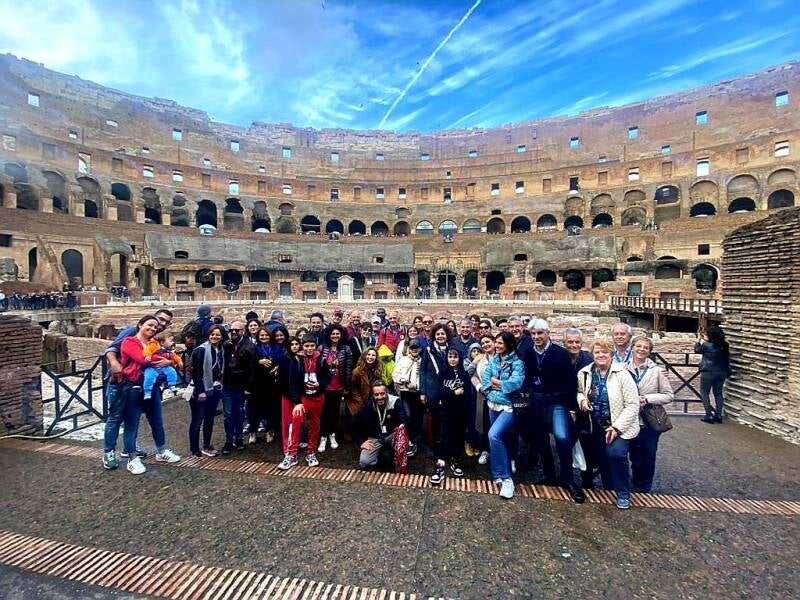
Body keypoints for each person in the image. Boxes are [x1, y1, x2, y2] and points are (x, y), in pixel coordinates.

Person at [102, 308, 173, 470]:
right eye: (160, 319)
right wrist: (114, 363)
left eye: (166, 322)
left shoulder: (153, 338)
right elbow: (111, 349)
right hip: (120, 382)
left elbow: (160, 356)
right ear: (143, 322)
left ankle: (131, 449)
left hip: (139, 385)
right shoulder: (130, 333)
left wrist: (168, 362)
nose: (161, 324)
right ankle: (109, 452)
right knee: (115, 417)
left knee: (134, 418)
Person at [523, 318, 585, 503]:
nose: (536, 337)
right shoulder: (528, 353)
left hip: (557, 401)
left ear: (547, 333)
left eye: (540, 333)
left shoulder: (560, 353)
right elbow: (528, 376)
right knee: (541, 439)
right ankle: (549, 475)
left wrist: (572, 408)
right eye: (533, 334)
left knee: (562, 437)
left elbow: (570, 382)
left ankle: (568, 478)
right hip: (537, 400)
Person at [577, 338, 640, 509]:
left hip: (619, 425)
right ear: (592, 355)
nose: (601, 355)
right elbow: (580, 392)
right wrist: (582, 400)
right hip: (596, 424)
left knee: (616, 454)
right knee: (603, 458)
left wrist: (617, 427)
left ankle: (623, 493)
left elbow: (633, 404)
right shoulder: (585, 372)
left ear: (611, 355)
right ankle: (608, 489)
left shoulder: (623, 374)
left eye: (605, 352)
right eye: (597, 352)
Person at [119, 315, 181, 474]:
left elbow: (170, 357)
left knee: (157, 421)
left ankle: (161, 451)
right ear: (140, 325)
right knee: (132, 425)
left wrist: (170, 361)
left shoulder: (153, 343)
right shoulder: (129, 342)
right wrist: (167, 359)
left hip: (152, 388)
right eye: (149, 325)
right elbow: (142, 359)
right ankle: (132, 458)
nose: (153, 329)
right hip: (133, 387)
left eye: (155, 327)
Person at [627, 335, 674, 493]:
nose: (641, 349)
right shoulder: (623, 368)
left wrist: (647, 398)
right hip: (631, 419)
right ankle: (635, 481)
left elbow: (668, 395)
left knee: (648, 453)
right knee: (634, 453)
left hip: (650, 418)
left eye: (645, 348)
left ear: (649, 351)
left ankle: (645, 486)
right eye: (638, 346)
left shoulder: (658, 371)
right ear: (632, 348)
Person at [481, 332, 525, 499]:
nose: (497, 345)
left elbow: (516, 383)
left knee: (494, 435)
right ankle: (499, 473)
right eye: (496, 343)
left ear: (508, 344)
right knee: (501, 439)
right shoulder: (494, 360)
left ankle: (506, 478)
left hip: (509, 407)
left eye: (500, 343)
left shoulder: (517, 363)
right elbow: (486, 380)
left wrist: (498, 383)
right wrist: (495, 386)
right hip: (493, 404)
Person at [282, 334, 330, 468]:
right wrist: (297, 402)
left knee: (315, 425)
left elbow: (327, 377)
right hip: (303, 398)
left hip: (318, 397)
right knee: (296, 421)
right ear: (303, 346)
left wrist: (319, 384)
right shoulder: (297, 359)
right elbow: (292, 383)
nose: (309, 349)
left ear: (316, 346)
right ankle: (292, 454)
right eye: (307, 346)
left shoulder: (321, 359)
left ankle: (311, 452)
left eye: (312, 346)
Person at [428, 348, 469, 485]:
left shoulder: (464, 374)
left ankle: (455, 460)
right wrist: (453, 393)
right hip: (446, 410)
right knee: (445, 436)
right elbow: (439, 392)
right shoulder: (443, 373)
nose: (452, 359)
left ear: (460, 358)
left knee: (458, 436)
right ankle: (440, 465)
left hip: (461, 411)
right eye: (450, 356)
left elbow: (468, 394)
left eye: (455, 357)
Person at [354, 381, 410, 473]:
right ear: (373, 395)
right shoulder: (369, 405)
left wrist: (401, 438)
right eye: (376, 395)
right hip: (376, 437)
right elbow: (354, 422)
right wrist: (361, 441)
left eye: (382, 394)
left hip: (392, 434)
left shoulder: (395, 402)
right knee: (364, 462)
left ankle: (397, 458)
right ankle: (382, 458)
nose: (379, 397)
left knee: (401, 436)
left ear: (387, 392)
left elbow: (404, 421)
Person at [564, 327, 595, 489]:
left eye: (577, 342)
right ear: (565, 343)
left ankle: (587, 478)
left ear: (581, 343)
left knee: (586, 443)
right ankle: (566, 476)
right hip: (566, 406)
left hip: (584, 408)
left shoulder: (589, 359)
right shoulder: (561, 358)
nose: (573, 345)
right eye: (570, 342)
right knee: (565, 442)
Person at [221, 320, 257, 454]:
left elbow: (252, 369)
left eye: (237, 330)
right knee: (228, 414)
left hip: (241, 385)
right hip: (227, 384)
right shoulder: (227, 345)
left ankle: (239, 438)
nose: (234, 332)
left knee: (240, 412)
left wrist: (249, 387)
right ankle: (229, 440)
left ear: (243, 331)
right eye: (232, 330)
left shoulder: (249, 346)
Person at [189, 325, 226, 457]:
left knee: (209, 419)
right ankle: (194, 449)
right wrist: (201, 391)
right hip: (202, 389)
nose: (215, 337)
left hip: (214, 388)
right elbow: (196, 373)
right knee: (197, 420)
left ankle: (206, 445)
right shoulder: (201, 350)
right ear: (208, 335)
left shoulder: (220, 350)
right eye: (212, 334)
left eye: (218, 334)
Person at [318, 323, 353, 452]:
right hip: (325, 386)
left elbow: (348, 368)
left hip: (338, 385)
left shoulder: (346, 349)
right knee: (324, 412)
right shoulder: (322, 348)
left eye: (337, 333)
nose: (335, 336)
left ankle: (332, 435)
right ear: (329, 334)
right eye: (333, 334)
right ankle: (323, 436)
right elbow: (318, 368)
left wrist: (346, 385)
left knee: (334, 412)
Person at [392, 339, 423, 457]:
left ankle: (415, 440)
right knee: (407, 416)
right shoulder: (403, 360)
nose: (414, 350)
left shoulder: (422, 361)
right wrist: (404, 381)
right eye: (412, 347)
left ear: (420, 349)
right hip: (406, 392)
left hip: (418, 393)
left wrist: (417, 385)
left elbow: (423, 376)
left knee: (418, 417)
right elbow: (395, 375)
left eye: (416, 347)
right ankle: (409, 440)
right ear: (409, 348)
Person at [695, 324, 730, 424]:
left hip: (708, 372)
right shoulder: (725, 345)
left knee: (704, 392)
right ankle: (718, 415)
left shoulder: (707, 345)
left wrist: (698, 340)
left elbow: (697, 350)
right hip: (722, 372)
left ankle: (708, 414)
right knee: (718, 393)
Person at [472, 334, 496, 466]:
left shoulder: (502, 357)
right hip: (483, 395)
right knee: (486, 423)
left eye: (488, 342)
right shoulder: (481, 360)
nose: (486, 344)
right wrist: (479, 386)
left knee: (499, 427)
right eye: (483, 343)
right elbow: (474, 375)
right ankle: (485, 450)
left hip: (499, 396)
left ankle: (508, 456)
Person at [141, 331, 182, 400]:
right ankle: (147, 392)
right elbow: (147, 350)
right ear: (162, 342)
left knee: (172, 372)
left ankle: (172, 385)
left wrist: (179, 361)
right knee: (149, 377)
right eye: (171, 341)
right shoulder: (154, 345)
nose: (173, 343)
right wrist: (147, 355)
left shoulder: (168, 350)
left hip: (164, 367)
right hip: (152, 367)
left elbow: (174, 356)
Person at [348, 348, 385, 418]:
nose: (370, 357)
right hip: (356, 404)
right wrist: (361, 402)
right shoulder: (356, 371)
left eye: (373, 355)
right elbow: (352, 389)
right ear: (365, 356)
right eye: (368, 354)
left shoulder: (377, 371)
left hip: (370, 403)